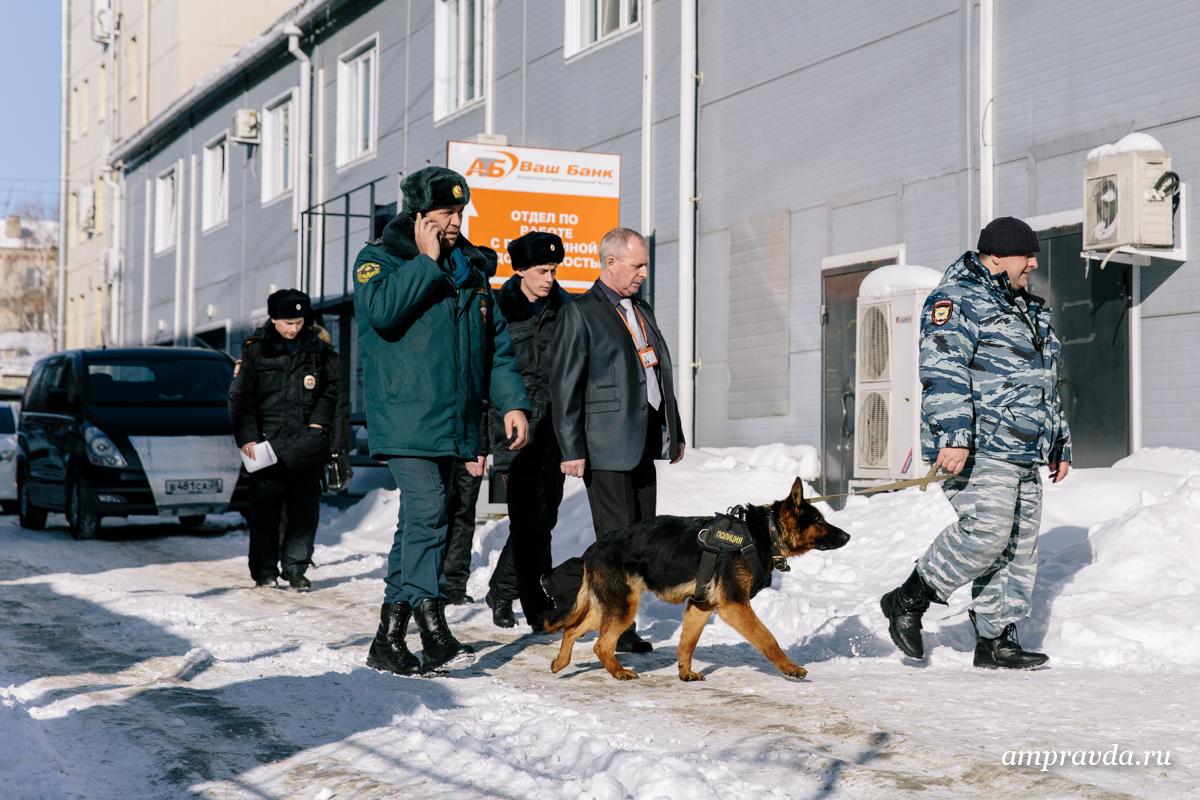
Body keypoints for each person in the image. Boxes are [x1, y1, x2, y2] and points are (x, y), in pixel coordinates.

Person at [354, 166, 529, 675]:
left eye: (459, 212)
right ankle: (433, 628)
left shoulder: (471, 270)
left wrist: (512, 402)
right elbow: (382, 312)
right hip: (404, 415)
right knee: (430, 509)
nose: (455, 222)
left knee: (419, 521)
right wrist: (425, 262)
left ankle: (388, 638)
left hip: (454, 420)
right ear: (418, 216)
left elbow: (496, 348)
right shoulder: (379, 260)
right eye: (445, 213)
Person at [879, 216, 1071, 670]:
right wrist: (954, 435)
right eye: (1027, 255)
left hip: (1024, 447)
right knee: (986, 533)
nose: (1033, 263)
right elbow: (943, 370)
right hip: (980, 446)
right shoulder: (957, 299)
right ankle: (908, 599)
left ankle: (995, 640)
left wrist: (1058, 441)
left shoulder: (1027, 307)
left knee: (1017, 547)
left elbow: (1044, 381)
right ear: (998, 256)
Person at [547, 227, 686, 653]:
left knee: (641, 539)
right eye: (637, 265)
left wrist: (674, 430)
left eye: (645, 265)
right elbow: (565, 386)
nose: (644, 272)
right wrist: (571, 448)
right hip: (605, 445)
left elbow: (658, 373)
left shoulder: (641, 309)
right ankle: (613, 623)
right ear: (610, 263)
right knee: (617, 538)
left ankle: (573, 590)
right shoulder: (580, 312)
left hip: (644, 439)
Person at [483, 231, 572, 633]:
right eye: (541, 271)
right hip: (513, 434)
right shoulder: (498, 310)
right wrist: (483, 445)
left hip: (554, 432)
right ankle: (534, 605)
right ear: (520, 270)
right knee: (527, 521)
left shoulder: (566, 309)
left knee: (545, 518)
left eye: (553, 270)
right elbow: (485, 378)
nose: (549, 278)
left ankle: (503, 590)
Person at [229, 289, 341, 590]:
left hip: (306, 442)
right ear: (274, 319)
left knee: (304, 512)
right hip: (266, 444)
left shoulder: (318, 350)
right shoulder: (256, 350)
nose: (294, 328)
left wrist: (318, 424)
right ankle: (265, 570)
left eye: (299, 322)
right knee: (265, 512)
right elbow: (241, 397)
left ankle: (295, 566)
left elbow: (331, 391)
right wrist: (248, 436)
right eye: (288, 323)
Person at [442, 246, 500, 606]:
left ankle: (453, 584)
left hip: (470, 435)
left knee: (463, 511)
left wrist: (480, 447)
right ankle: (426, 582)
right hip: (436, 431)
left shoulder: (487, 324)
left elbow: (485, 393)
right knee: (435, 510)